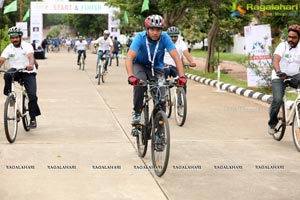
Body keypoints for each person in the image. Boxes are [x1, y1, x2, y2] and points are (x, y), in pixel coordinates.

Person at [125, 14, 186, 125]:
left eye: (158, 30)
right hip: (140, 65)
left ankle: (159, 133)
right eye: (152, 29)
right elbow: (129, 57)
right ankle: (137, 112)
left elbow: (176, 56)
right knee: (140, 84)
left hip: (157, 68)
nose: (155, 32)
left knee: (161, 99)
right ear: (147, 29)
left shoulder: (165, 37)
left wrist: (181, 76)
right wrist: (130, 75)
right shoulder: (140, 38)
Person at [0, 26, 41, 128]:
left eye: (16, 37)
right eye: (12, 38)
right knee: (7, 74)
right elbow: (2, 59)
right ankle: (10, 95)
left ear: (20, 37)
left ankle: (32, 118)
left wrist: (31, 65)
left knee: (32, 95)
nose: (14, 39)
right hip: (16, 70)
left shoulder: (27, 46)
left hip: (28, 71)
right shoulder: (9, 48)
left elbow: (31, 57)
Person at [268, 24, 300, 135]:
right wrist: (278, 72)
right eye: (289, 37)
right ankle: (272, 123)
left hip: (295, 76)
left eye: (294, 37)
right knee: (277, 99)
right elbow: (276, 60)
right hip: (279, 75)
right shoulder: (283, 46)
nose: (291, 39)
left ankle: (298, 114)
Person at [164, 26, 196, 92]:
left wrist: (191, 61)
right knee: (161, 81)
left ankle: (180, 99)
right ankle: (162, 97)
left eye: (175, 36)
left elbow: (186, 53)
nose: (173, 38)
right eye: (171, 36)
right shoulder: (163, 42)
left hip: (176, 67)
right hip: (165, 67)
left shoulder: (181, 43)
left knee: (183, 81)